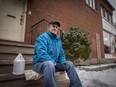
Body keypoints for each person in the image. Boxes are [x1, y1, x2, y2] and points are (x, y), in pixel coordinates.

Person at [32, 21, 82, 87]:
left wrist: (63, 63)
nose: (55, 28)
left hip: (53, 64)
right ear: (49, 27)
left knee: (69, 64)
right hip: (40, 64)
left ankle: (77, 85)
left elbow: (61, 53)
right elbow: (41, 54)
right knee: (49, 64)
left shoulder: (58, 40)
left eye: (56, 27)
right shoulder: (42, 37)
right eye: (53, 26)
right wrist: (54, 63)